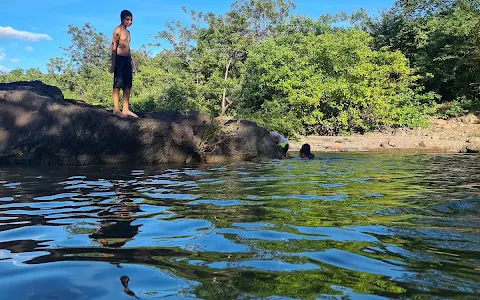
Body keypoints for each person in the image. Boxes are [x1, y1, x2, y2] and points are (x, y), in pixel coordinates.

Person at [109, 10, 138, 118]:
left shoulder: (128, 32)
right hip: (119, 59)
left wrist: (132, 64)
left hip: (127, 59)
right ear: (122, 19)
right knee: (117, 84)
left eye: (131, 20)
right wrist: (113, 64)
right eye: (127, 20)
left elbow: (128, 48)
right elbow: (114, 47)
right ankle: (116, 109)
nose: (130, 22)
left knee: (128, 85)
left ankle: (125, 109)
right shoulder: (117, 30)